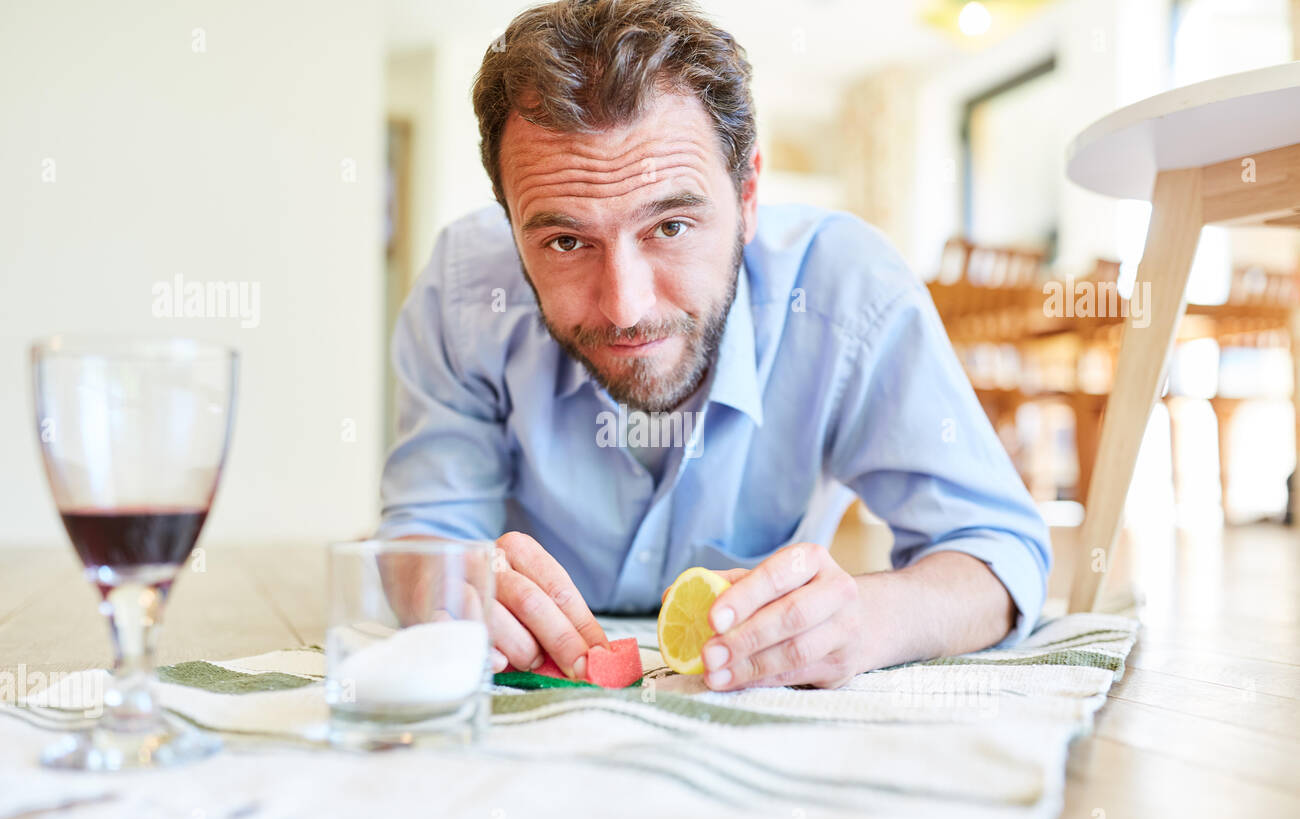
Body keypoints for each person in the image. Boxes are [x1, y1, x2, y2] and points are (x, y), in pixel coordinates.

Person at [378, 0, 1052, 691]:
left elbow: (998, 555)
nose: (625, 305)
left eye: (670, 226)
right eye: (566, 241)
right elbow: (420, 534)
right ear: (511, 223)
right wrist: (452, 586)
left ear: (749, 193)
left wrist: (863, 620)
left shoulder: (848, 293)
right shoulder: (466, 291)